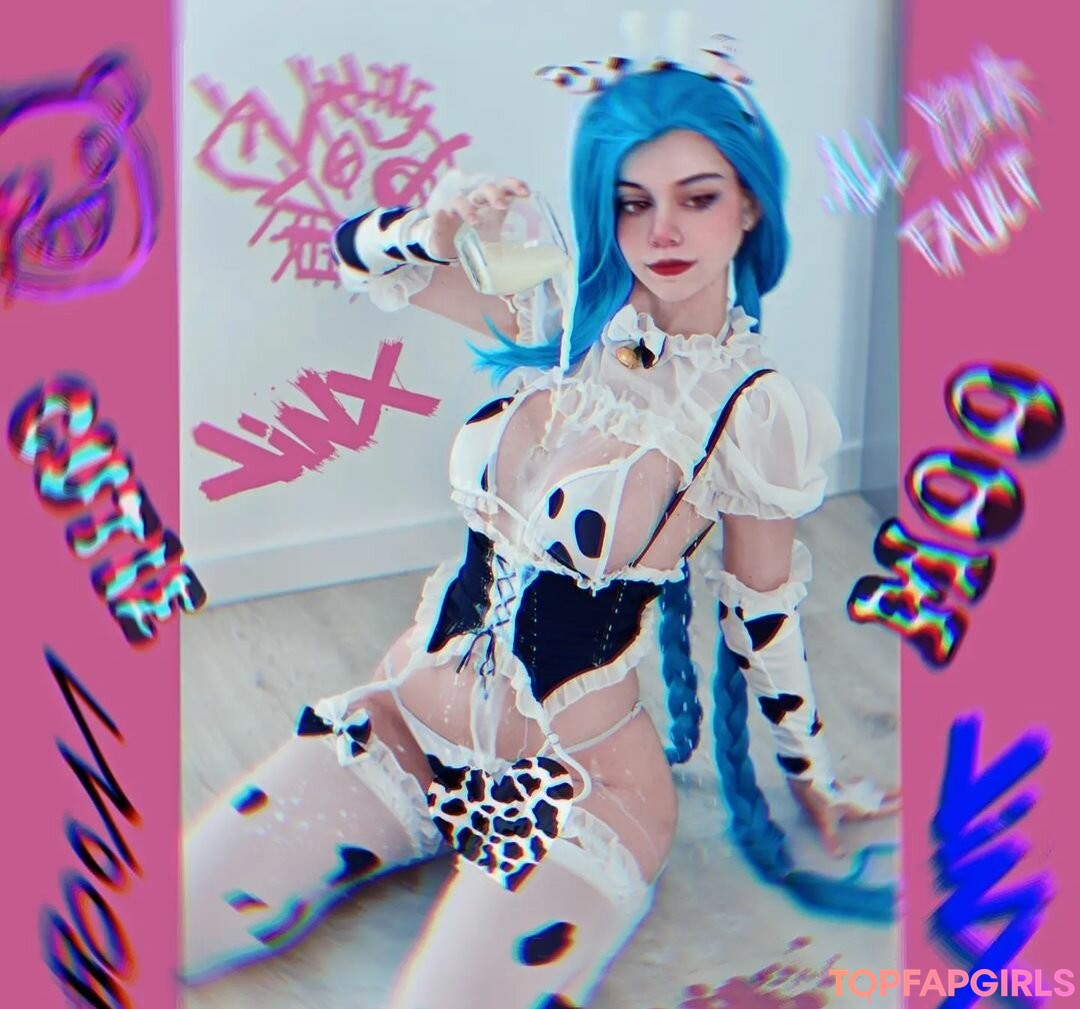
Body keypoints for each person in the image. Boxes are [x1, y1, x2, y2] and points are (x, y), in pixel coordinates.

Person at [182, 50, 899, 1009]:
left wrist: (812, 770)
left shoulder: (758, 407)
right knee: (156, 920)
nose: (663, 229)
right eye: (632, 203)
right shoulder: (559, 313)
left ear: (749, 208)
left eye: (697, 198)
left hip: (573, 787)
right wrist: (429, 227)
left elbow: (761, 619)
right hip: (402, 728)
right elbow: (352, 257)